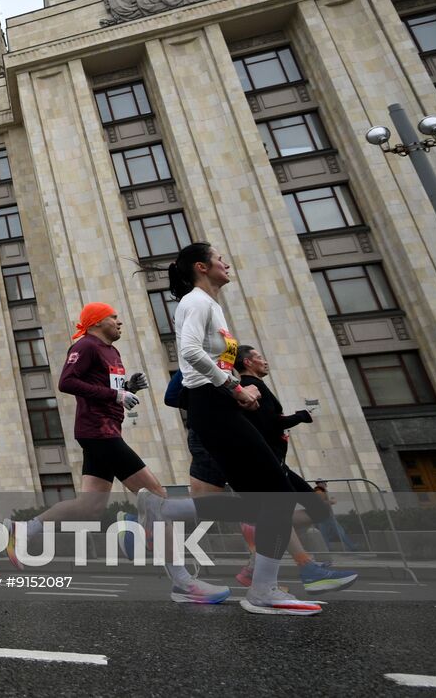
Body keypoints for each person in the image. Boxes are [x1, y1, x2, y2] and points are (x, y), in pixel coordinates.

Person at [136, 243, 321, 616]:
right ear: (202, 267)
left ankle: (166, 510)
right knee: (279, 498)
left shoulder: (211, 304)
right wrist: (234, 386)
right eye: (220, 258)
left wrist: (237, 390)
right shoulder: (196, 301)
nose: (227, 262)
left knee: (261, 503)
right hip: (211, 406)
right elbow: (188, 352)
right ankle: (263, 591)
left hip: (219, 405)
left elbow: (207, 356)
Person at [2, 303, 230, 605]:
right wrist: (115, 394)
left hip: (108, 430)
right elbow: (66, 382)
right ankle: (183, 582)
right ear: (97, 322)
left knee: (89, 508)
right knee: (158, 498)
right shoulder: (85, 345)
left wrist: (127, 386)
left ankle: (23, 530)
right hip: (98, 432)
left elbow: (105, 387)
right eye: (113, 317)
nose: (119, 321)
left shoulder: (111, 352)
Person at [232, 345, 357, 593]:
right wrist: (300, 416)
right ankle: (304, 568)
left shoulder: (254, 386)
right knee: (297, 509)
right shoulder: (249, 386)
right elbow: (269, 424)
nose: (264, 361)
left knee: (316, 508)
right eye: (259, 357)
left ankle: (262, 552)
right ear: (247, 362)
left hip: (277, 463)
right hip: (269, 464)